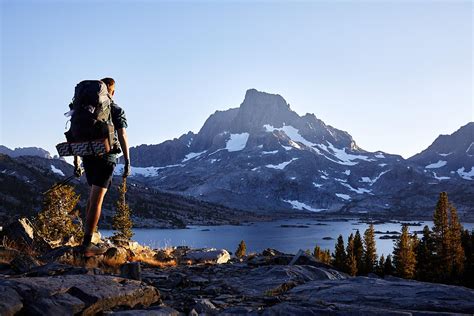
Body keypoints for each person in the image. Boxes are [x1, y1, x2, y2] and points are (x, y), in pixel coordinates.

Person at [73, 77, 131, 257]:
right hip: (107, 156)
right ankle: (87, 245)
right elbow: (122, 135)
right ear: (111, 92)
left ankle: (87, 237)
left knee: (92, 196)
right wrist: (128, 160)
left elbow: (76, 134)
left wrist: (76, 161)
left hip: (87, 154)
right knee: (97, 199)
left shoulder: (86, 108)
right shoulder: (115, 109)